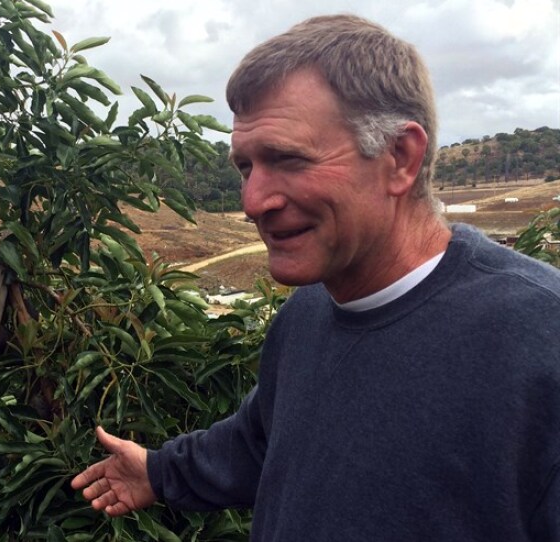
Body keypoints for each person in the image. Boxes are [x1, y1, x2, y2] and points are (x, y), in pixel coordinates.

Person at [71, 14, 560, 541]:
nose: (254, 202)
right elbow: (261, 442)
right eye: (246, 167)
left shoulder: (538, 338)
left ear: (400, 157)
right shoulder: (307, 311)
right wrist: (160, 472)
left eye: (288, 159)